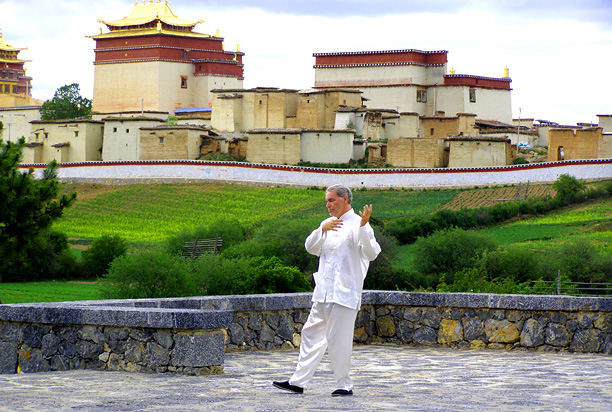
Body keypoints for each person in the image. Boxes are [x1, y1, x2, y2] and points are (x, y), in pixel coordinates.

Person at [273, 184, 381, 397]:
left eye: (331, 200)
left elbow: (371, 253)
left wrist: (364, 226)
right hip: (323, 292)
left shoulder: (360, 224)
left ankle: (344, 384)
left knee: (338, 339)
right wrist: (322, 229)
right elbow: (311, 248)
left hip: (345, 294)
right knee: (310, 334)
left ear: (344, 199)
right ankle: (297, 382)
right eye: (326, 201)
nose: (328, 205)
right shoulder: (327, 223)